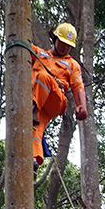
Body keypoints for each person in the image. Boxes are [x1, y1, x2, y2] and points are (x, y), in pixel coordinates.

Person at [30, 22, 89, 169]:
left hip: (55, 101)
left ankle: (32, 110)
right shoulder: (39, 53)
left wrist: (81, 106)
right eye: (62, 43)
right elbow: (21, 44)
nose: (65, 47)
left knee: (44, 77)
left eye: (68, 45)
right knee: (34, 126)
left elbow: (78, 86)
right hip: (38, 101)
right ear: (54, 39)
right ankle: (34, 159)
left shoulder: (72, 64)